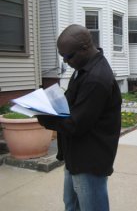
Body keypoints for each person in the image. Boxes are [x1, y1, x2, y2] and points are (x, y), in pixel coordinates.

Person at [37, 24, 122, 211]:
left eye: (69, 56)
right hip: (75, 155)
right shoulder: (83, 67)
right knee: (71, 205)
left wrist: (43, 115)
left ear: (85, 48)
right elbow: (72, 103)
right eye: (62, 57)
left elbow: (75, 124)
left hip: (89, 160)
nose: (66, 62)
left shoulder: (96, 79)